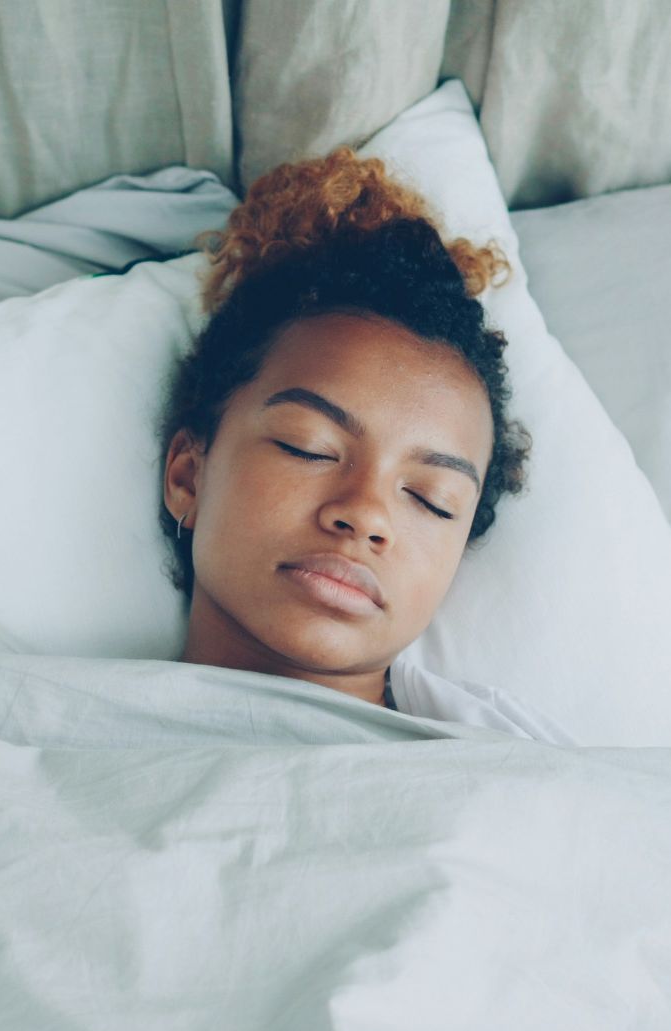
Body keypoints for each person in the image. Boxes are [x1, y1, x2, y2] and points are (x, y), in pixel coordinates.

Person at [157, 147, 558, 742]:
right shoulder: (12, 730)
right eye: (309, 447)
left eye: (430, 500)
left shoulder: (524, 774)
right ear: (189, 475)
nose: (366, 514)